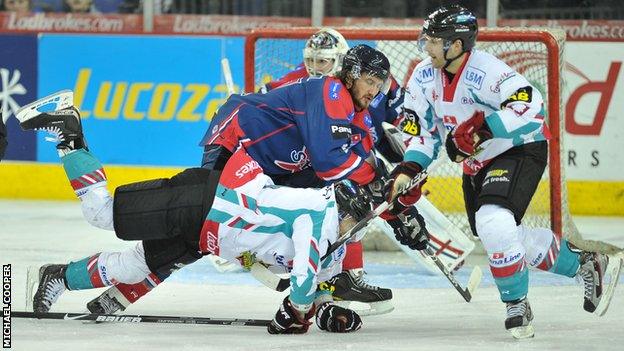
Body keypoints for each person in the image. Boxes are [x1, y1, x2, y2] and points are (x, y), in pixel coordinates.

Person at [85, 44, 429, 317]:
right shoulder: (332, 91)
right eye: (370, 81)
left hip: (275, 164)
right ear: (351, 75)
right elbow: (331, 163)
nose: (374, 90)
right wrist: (383, 192)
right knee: (200, 227)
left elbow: (365, 179)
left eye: (378, 84)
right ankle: (124, 289)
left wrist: (397, 211)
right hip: (237, 142)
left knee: (336, 203)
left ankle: (334, 281)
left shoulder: (358, 115)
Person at [19, 90, 367, 334]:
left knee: (135, 265)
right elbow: (304, 279)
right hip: (206, 201)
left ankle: (58, 277)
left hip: (207, 234)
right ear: (342, 206)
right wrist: (296, 310)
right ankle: (69, 134)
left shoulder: (331, 249)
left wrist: (328, 313)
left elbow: (313, 284)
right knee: (102, 215)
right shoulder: (319, 214)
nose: (354, 229)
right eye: (355, 221)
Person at [389, 4, 623, 339]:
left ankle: (517, 304)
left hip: (518, 149)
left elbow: (531, 104)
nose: (425, 46)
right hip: (477, 163)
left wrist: (484, 128)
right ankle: (585, 262)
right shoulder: (424, 76)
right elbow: (423, 135)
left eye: (433, 40)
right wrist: (409, 169)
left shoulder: (486, 70)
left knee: (493, 220)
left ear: (455, 45)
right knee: (500, 234)